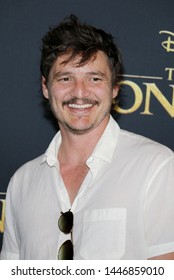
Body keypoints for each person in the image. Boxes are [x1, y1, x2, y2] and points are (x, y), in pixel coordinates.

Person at [1, 15, 174, 260]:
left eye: (94, 78)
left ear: (114, 88)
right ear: (45, 87)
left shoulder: (157, 167)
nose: (79, 92)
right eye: (65, 78)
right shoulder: (22, 182)